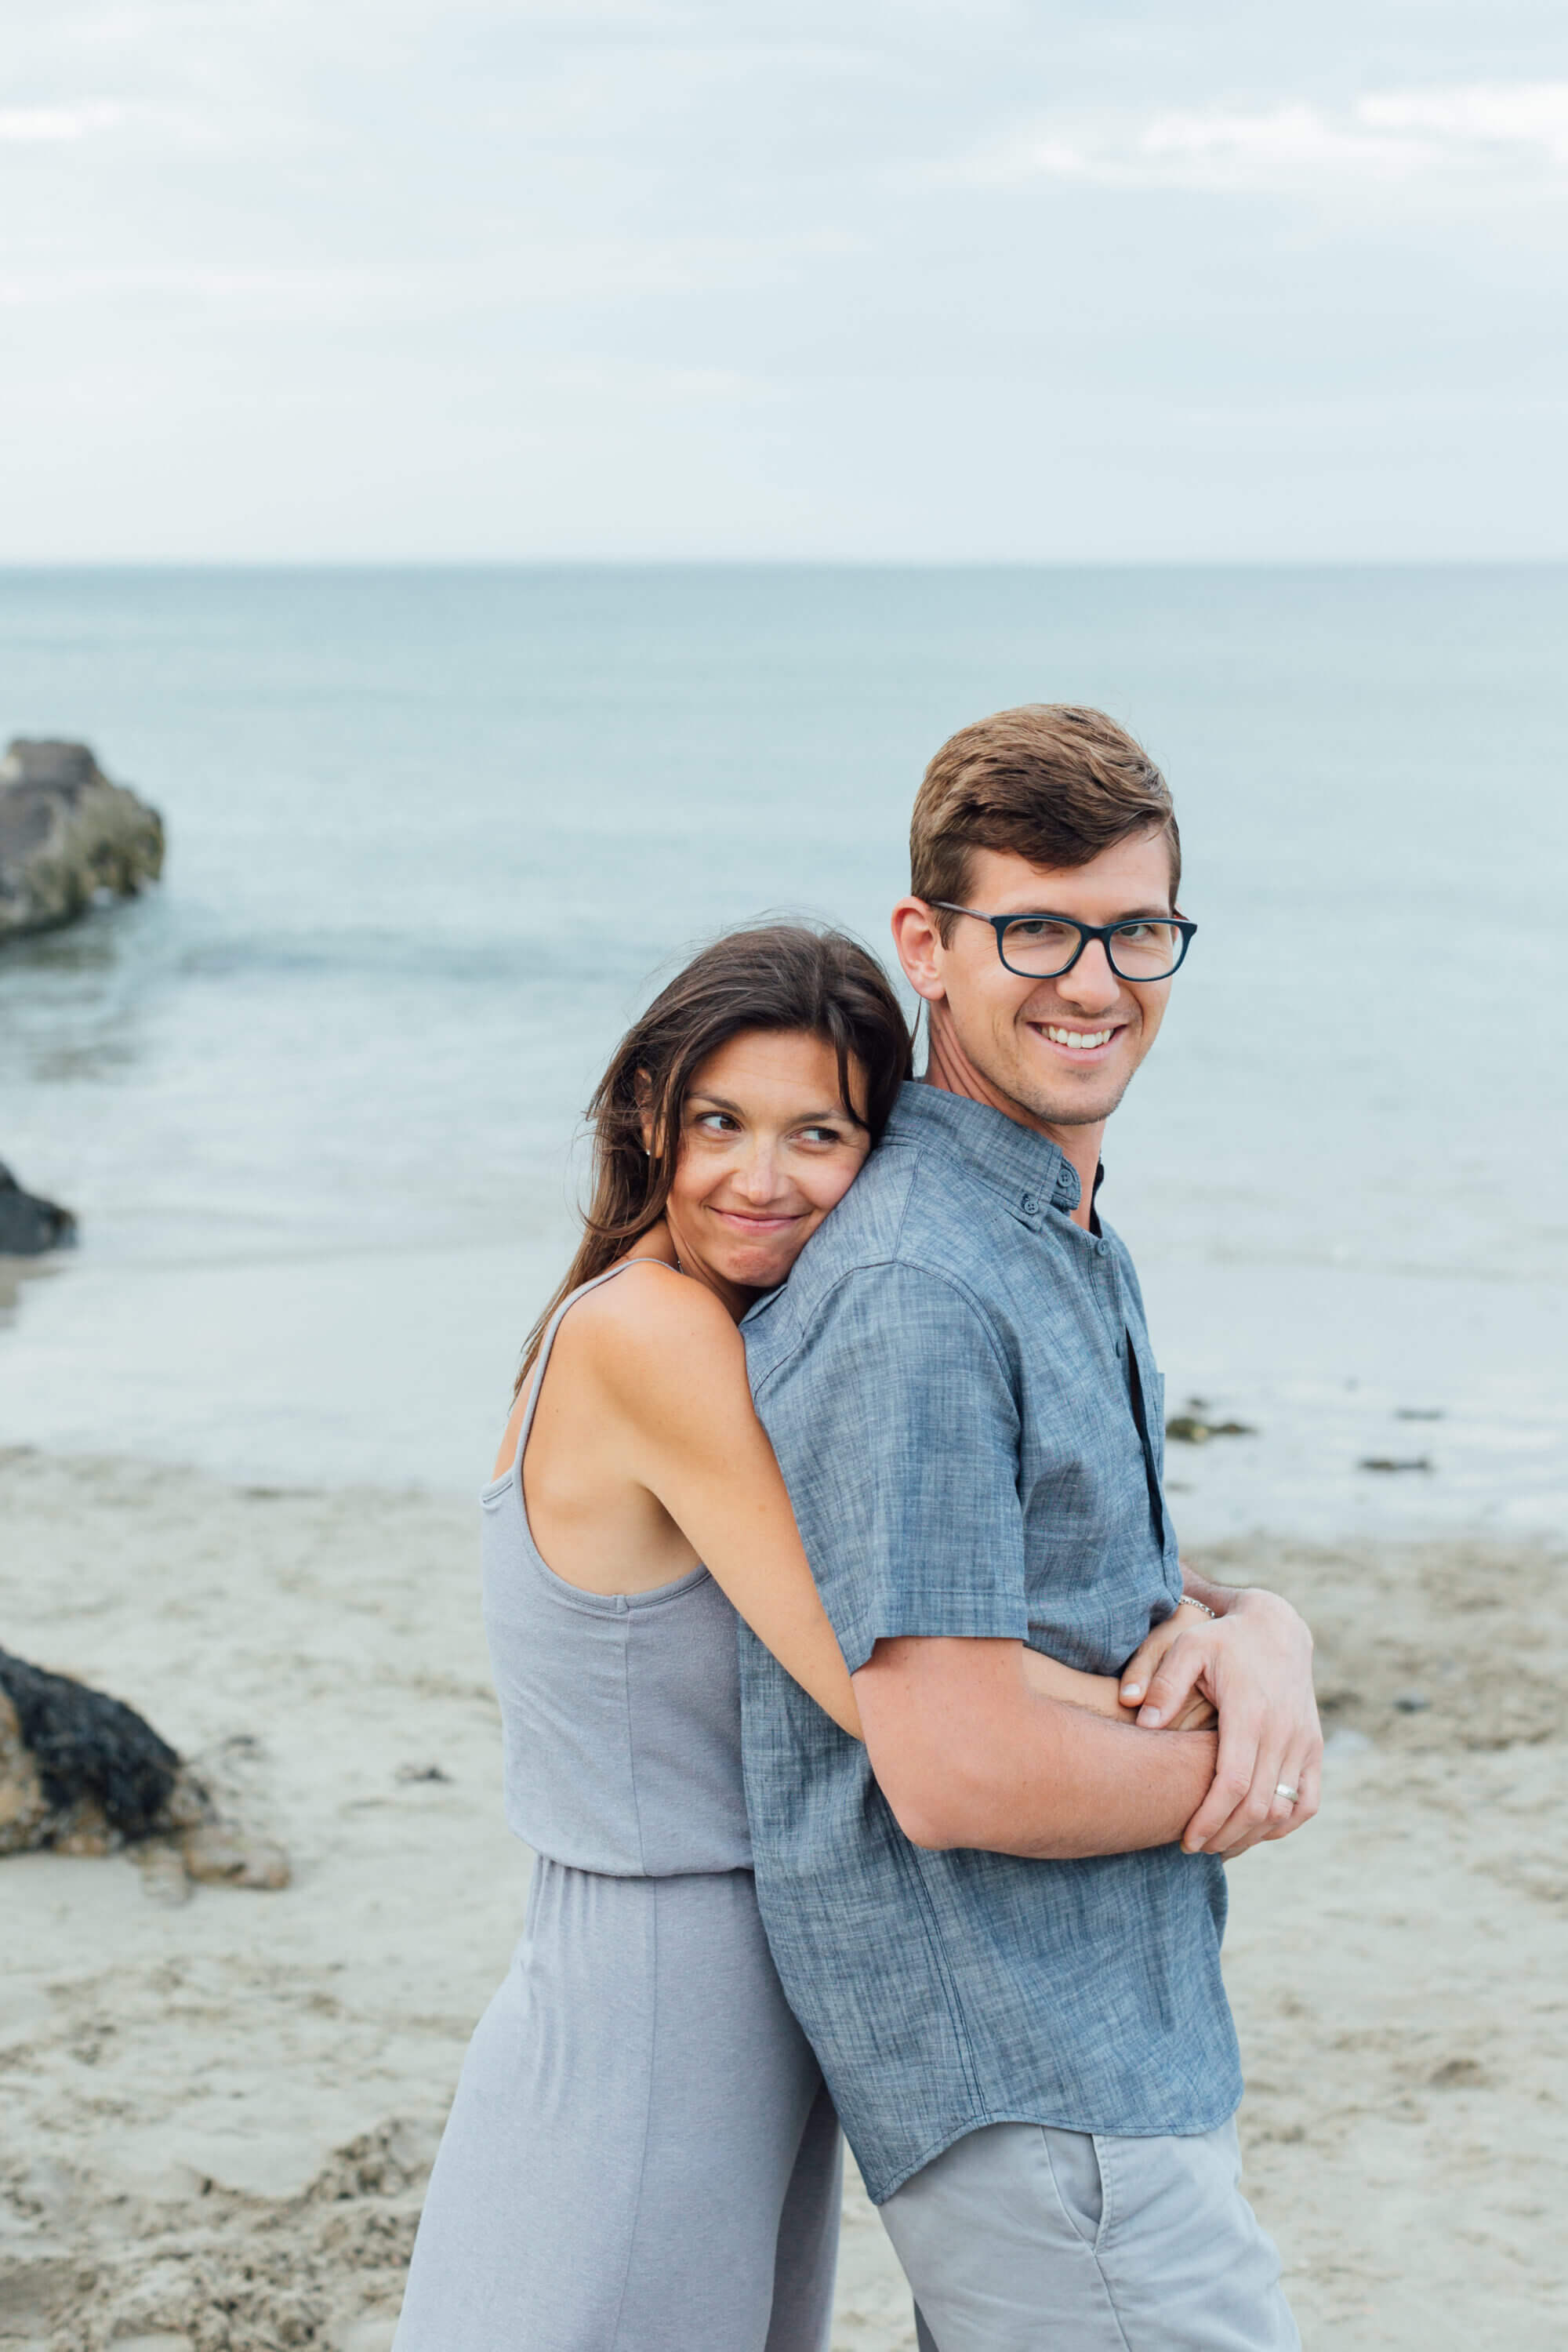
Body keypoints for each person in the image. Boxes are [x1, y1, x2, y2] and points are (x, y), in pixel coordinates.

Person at [391, 922, 1203, 2352]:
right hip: (659, 1999)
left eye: (818, 1134)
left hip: (748, 1999)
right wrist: (1180, 1710)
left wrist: (1238, 1626)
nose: (762, 1181)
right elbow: (875, 1668)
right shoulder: (652, 1336)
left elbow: (937, 1594)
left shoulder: (728, 1330)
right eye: (720, 1123)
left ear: (877, 1151)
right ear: (650, 1115)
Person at [737, 706, 1320, 2352]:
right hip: (1026, 2071)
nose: (1094, 979)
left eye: (1135, 928)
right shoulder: (920, 1282)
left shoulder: (1044, 1223)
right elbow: (960, 1765)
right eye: (1038, 928)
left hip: (1106, 2043)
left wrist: (1254, 1625)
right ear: (927, 944)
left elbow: (1061, 1577)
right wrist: (1253, 1763)